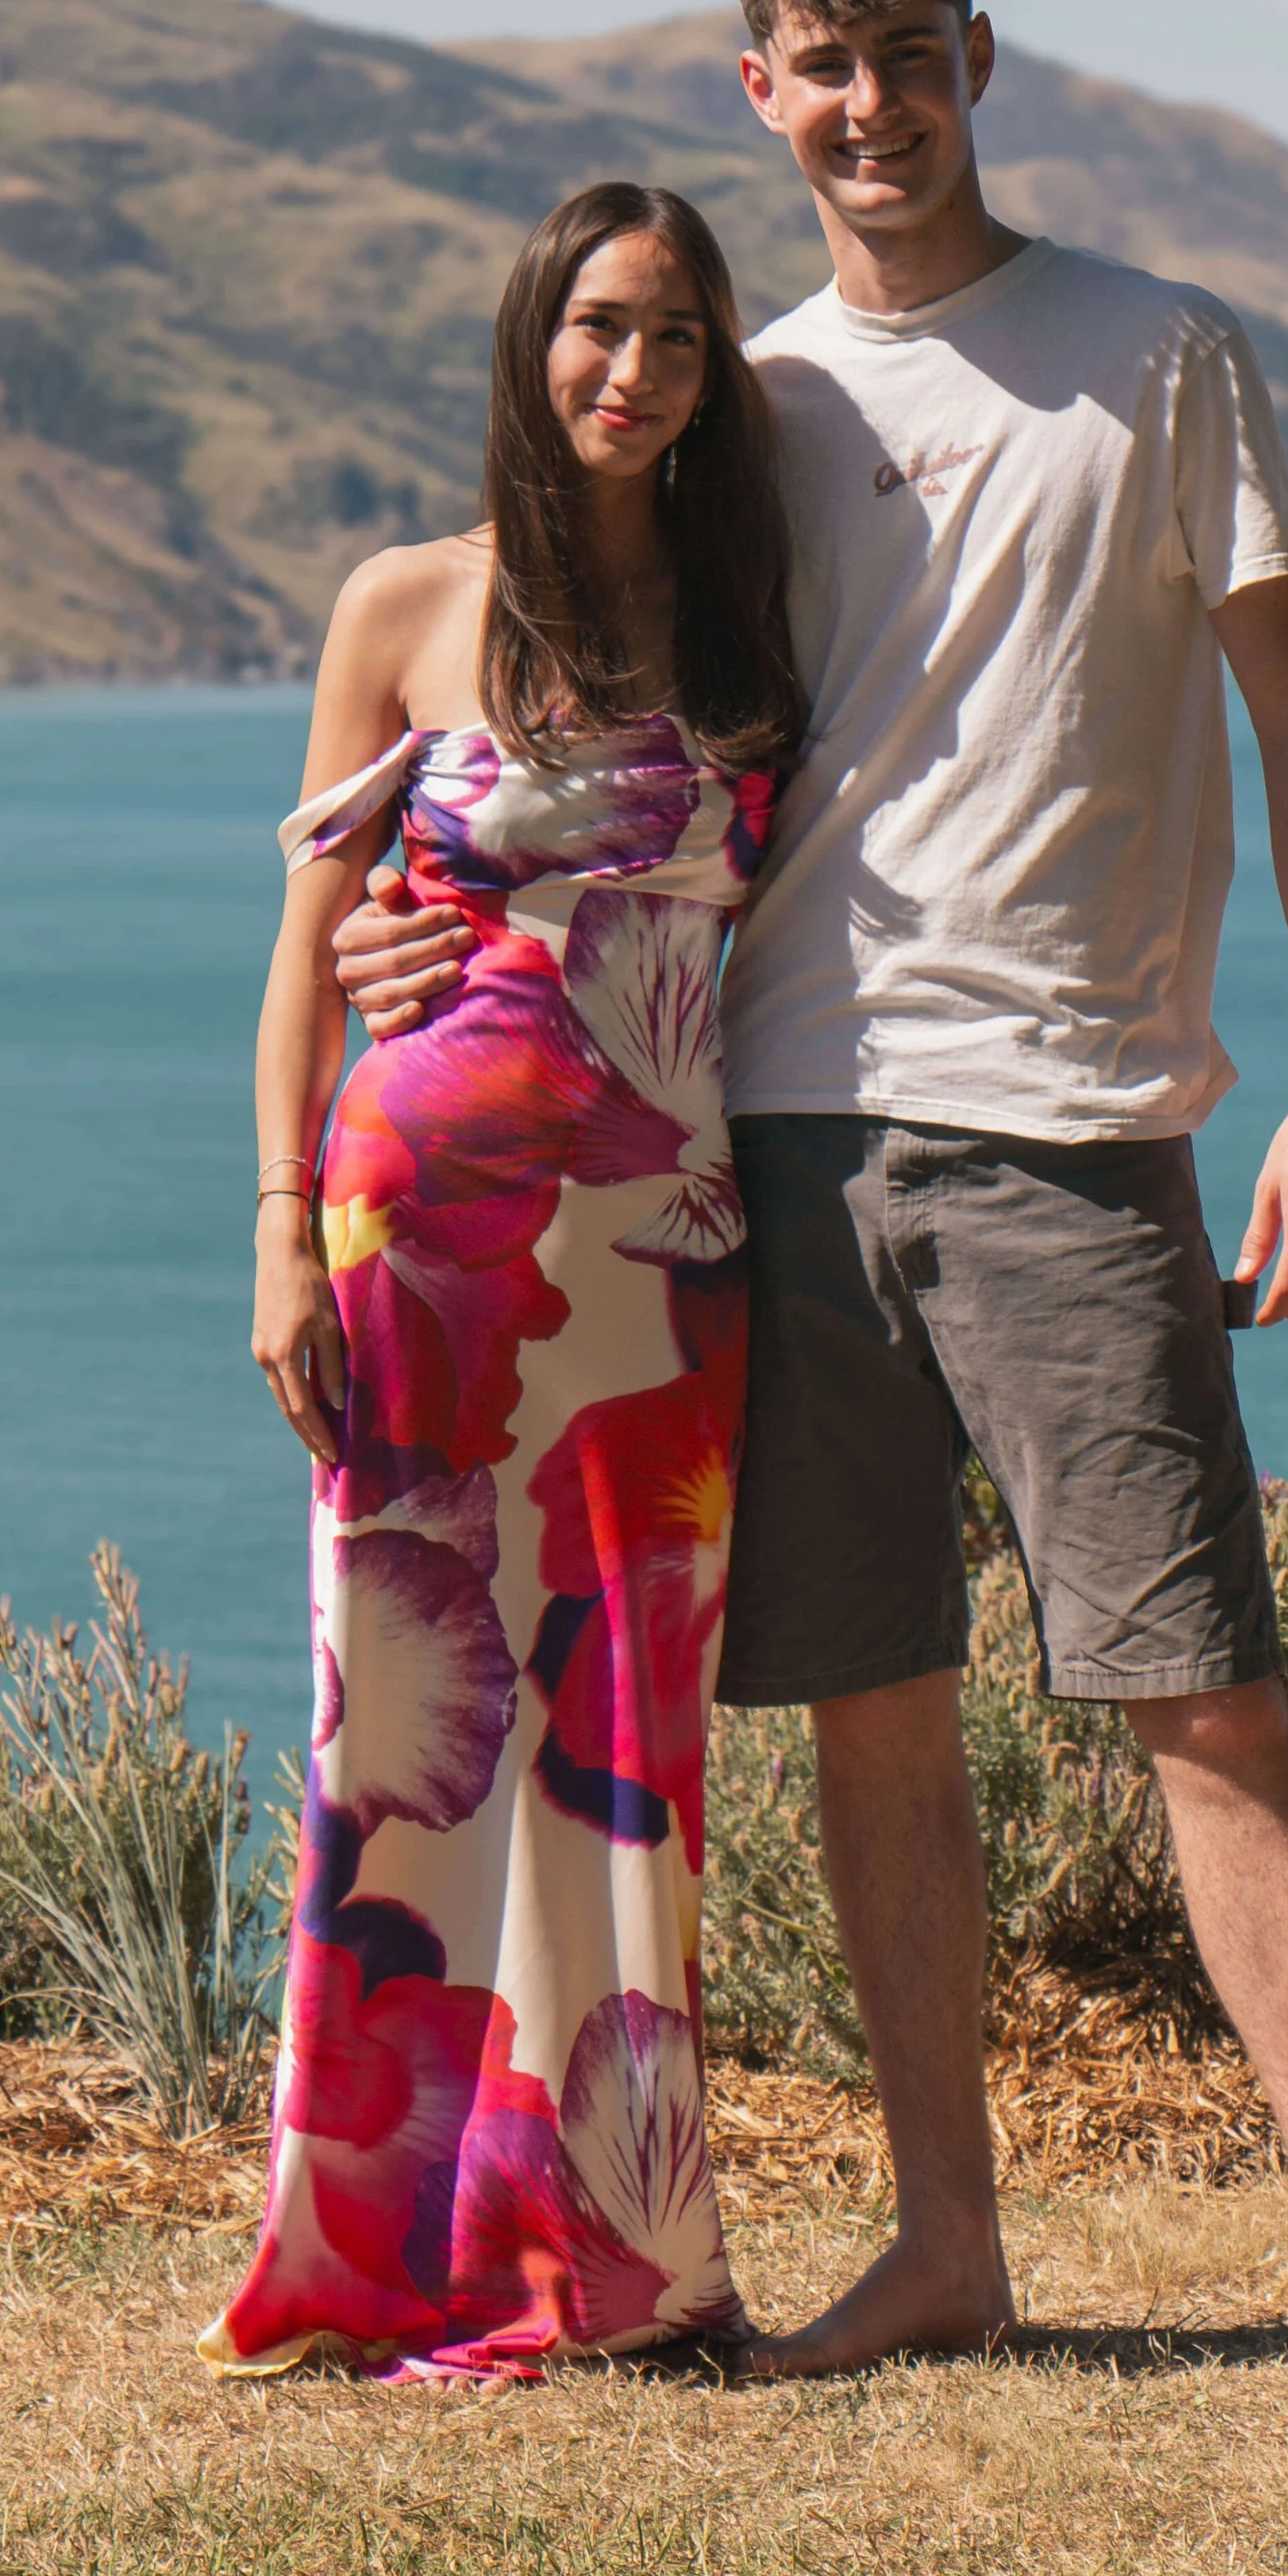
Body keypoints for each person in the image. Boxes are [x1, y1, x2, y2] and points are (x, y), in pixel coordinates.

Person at [333, 0, 1288, 2438]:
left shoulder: (1156, 354)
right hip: (768, 1132)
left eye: (909, 51)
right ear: (758, 90)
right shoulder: (732, 406)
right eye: (821, 65)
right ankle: (946, 2241)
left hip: (1068, 1125)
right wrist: (419, 933)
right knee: (870, 1702)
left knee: (1196, 1690)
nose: (872, 104)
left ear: (978, 57)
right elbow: (557, 731)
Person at [202, 179, 803, 2385]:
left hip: (662, 1254)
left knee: (622, 1740)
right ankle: (375, 2252)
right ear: (528, 342)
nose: (630, 370)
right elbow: (307, 946)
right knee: (409, 1739)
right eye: (595, 326)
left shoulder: (748, 628)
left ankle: (619, 2260)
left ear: (713, 375)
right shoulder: (405, 604)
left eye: (674, 336)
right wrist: (276, 1229)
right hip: (418, 1242)